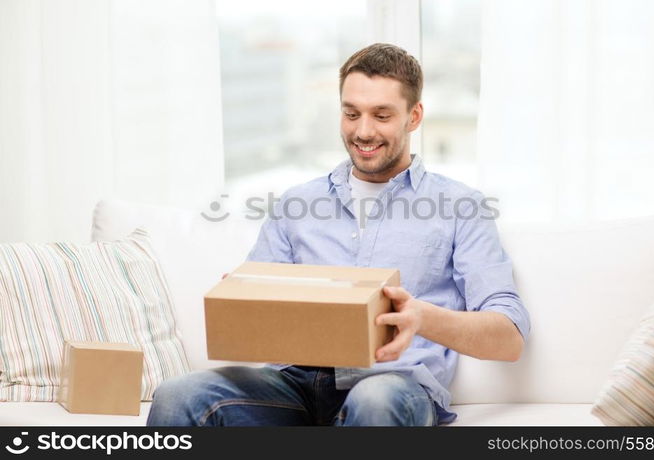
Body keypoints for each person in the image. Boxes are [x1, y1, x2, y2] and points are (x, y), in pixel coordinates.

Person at [147, 43, 530, 426]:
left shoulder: (461, 206)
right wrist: (242, 300)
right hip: (292, 384)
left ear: (414, 117)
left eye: (382, 115)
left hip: (392, 384)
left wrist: (421, 317)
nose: (363, 131)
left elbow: (509, 337)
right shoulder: (295, 205)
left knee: (376, 401)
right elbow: (253, 307)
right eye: (351, 114)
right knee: (179, 395)